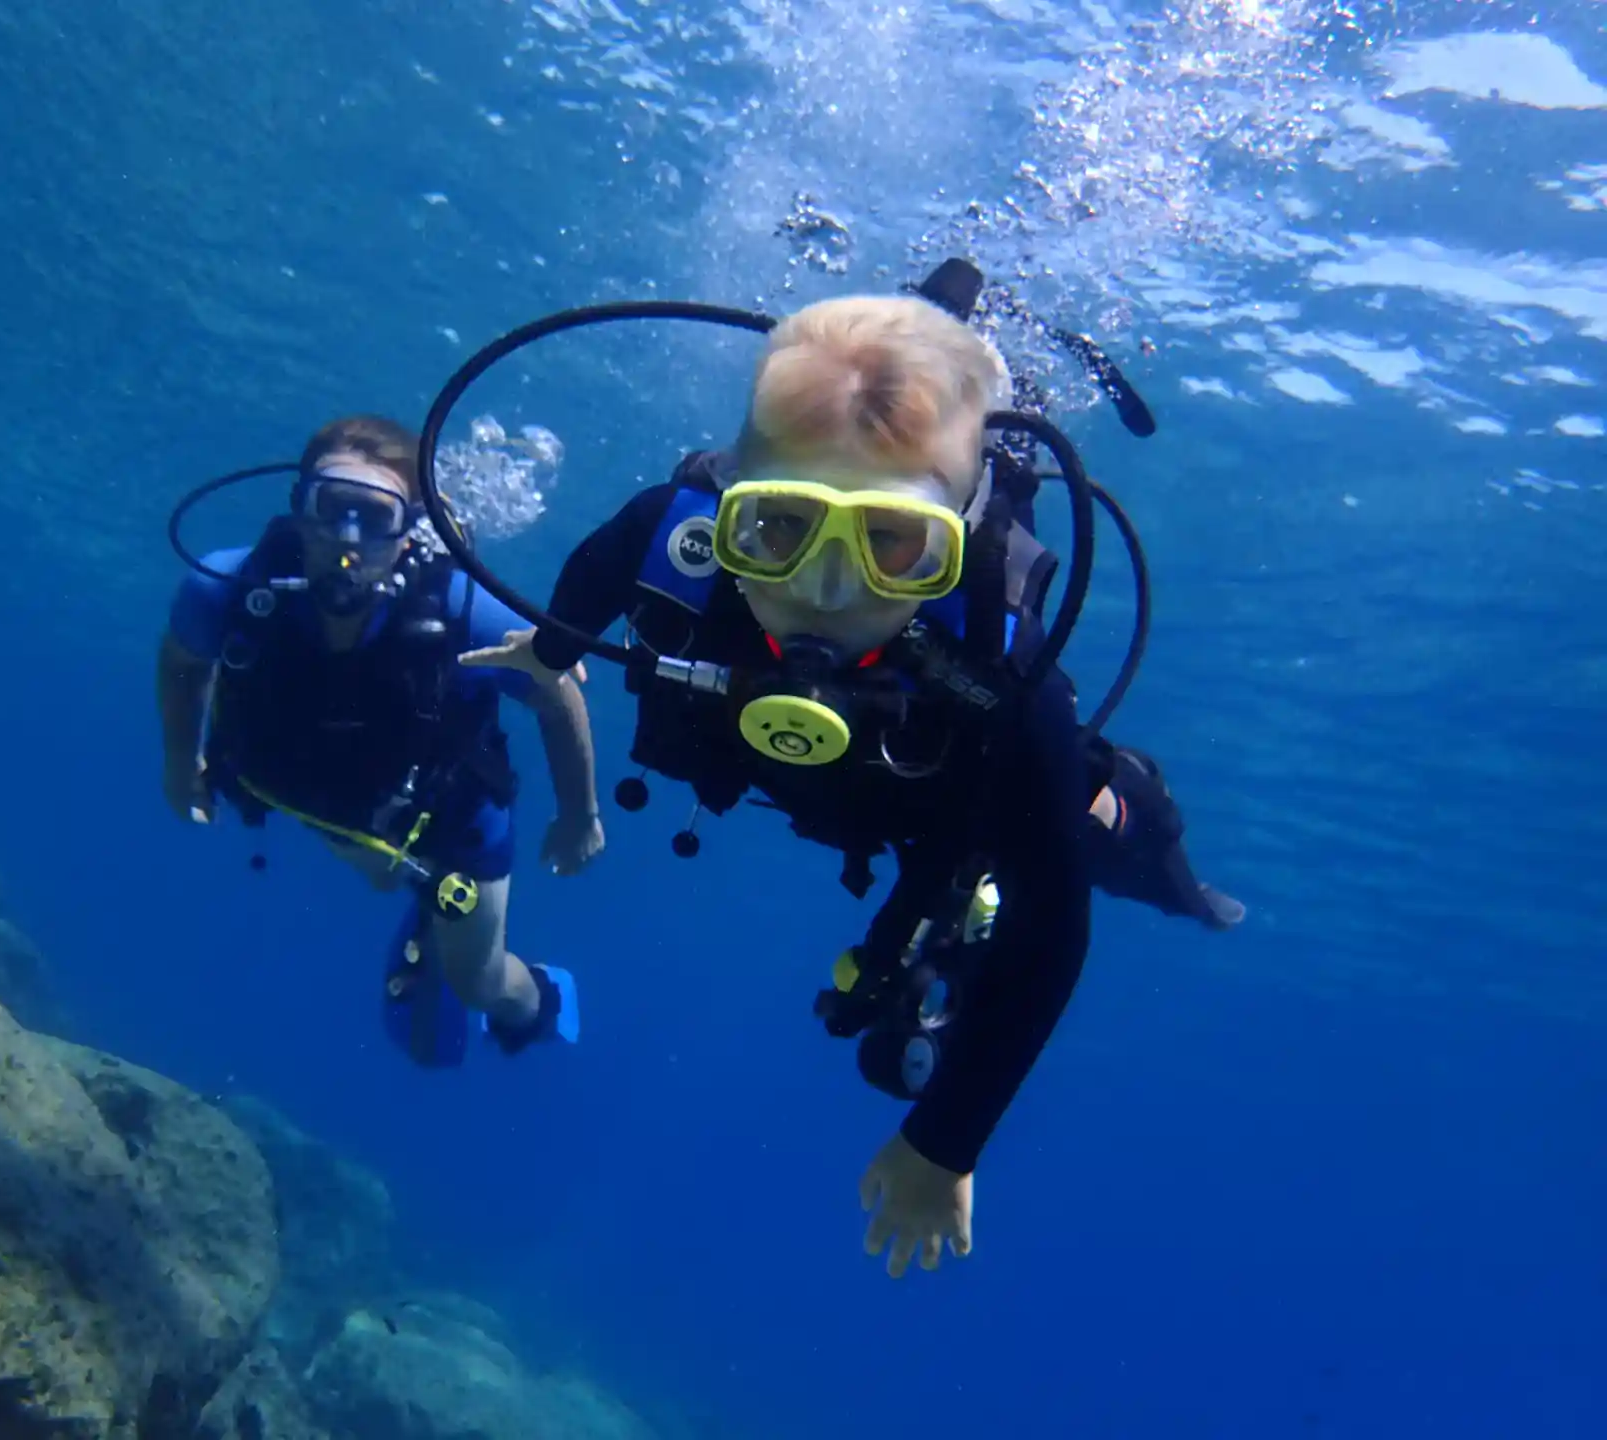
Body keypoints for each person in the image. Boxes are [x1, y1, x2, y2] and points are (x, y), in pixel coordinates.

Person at [460, 293, 1232, 1277]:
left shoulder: (992, 671)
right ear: (731, 500)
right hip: (851, 779)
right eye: (778, 528)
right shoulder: (675, 531)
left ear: (955, 533)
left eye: (891, 544)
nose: (827, 589)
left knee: (1080, 818)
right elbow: (608, 556)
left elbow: (1051, 928)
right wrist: (553, 648)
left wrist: (945, 1143)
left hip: (944, 800)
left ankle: (1171, 865)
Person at [156, 414, 604, 1064]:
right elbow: (183, 663)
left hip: (446, 822)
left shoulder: (465, 611)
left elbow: (557, 694)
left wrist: (578, 814)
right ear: (298, 507)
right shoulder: (224, 590)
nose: (349, 537)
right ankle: (411, 893)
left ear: (411, 529)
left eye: (375, 515)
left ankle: (542, 1000)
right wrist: (178, 759)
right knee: (379, 869)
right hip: (316, 794)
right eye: (331, 507)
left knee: (476, 985)